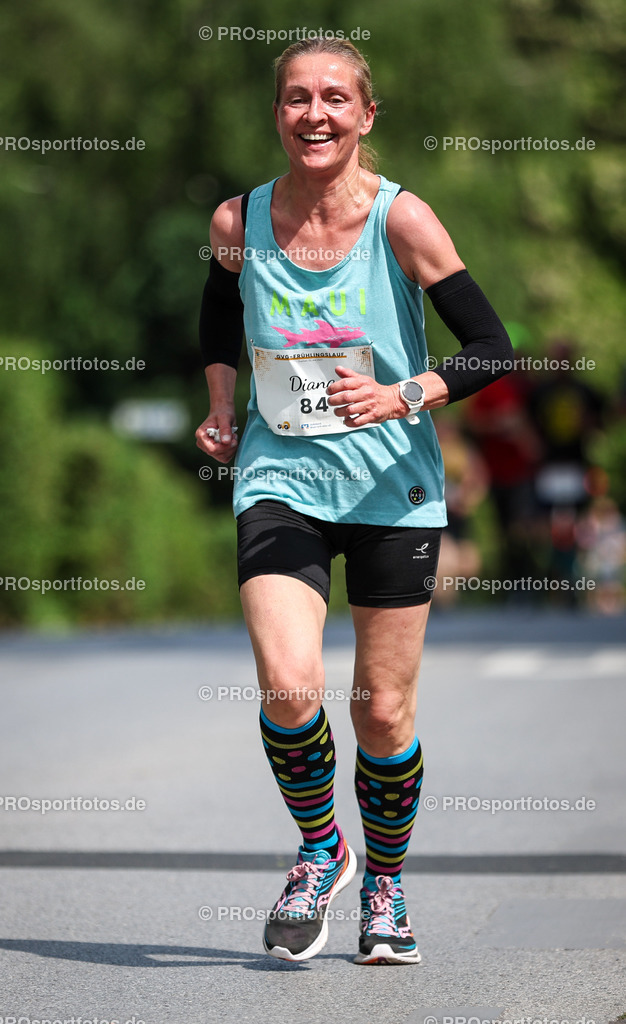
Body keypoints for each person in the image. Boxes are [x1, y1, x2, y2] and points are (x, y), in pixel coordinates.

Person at [195, 37, 513, 965]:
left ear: (366, 116)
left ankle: (385, 885)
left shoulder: (404, 220)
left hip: (391, 485)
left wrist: (403, 393)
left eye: (335, 98)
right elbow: (219, 313)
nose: (315, 115)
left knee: (380, 711)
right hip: (279, 476)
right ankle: (319, 850)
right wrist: (222, 407)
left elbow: (491, 346)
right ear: (279, 115)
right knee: (292, 687)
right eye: (297, 99)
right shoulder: (237, 220)